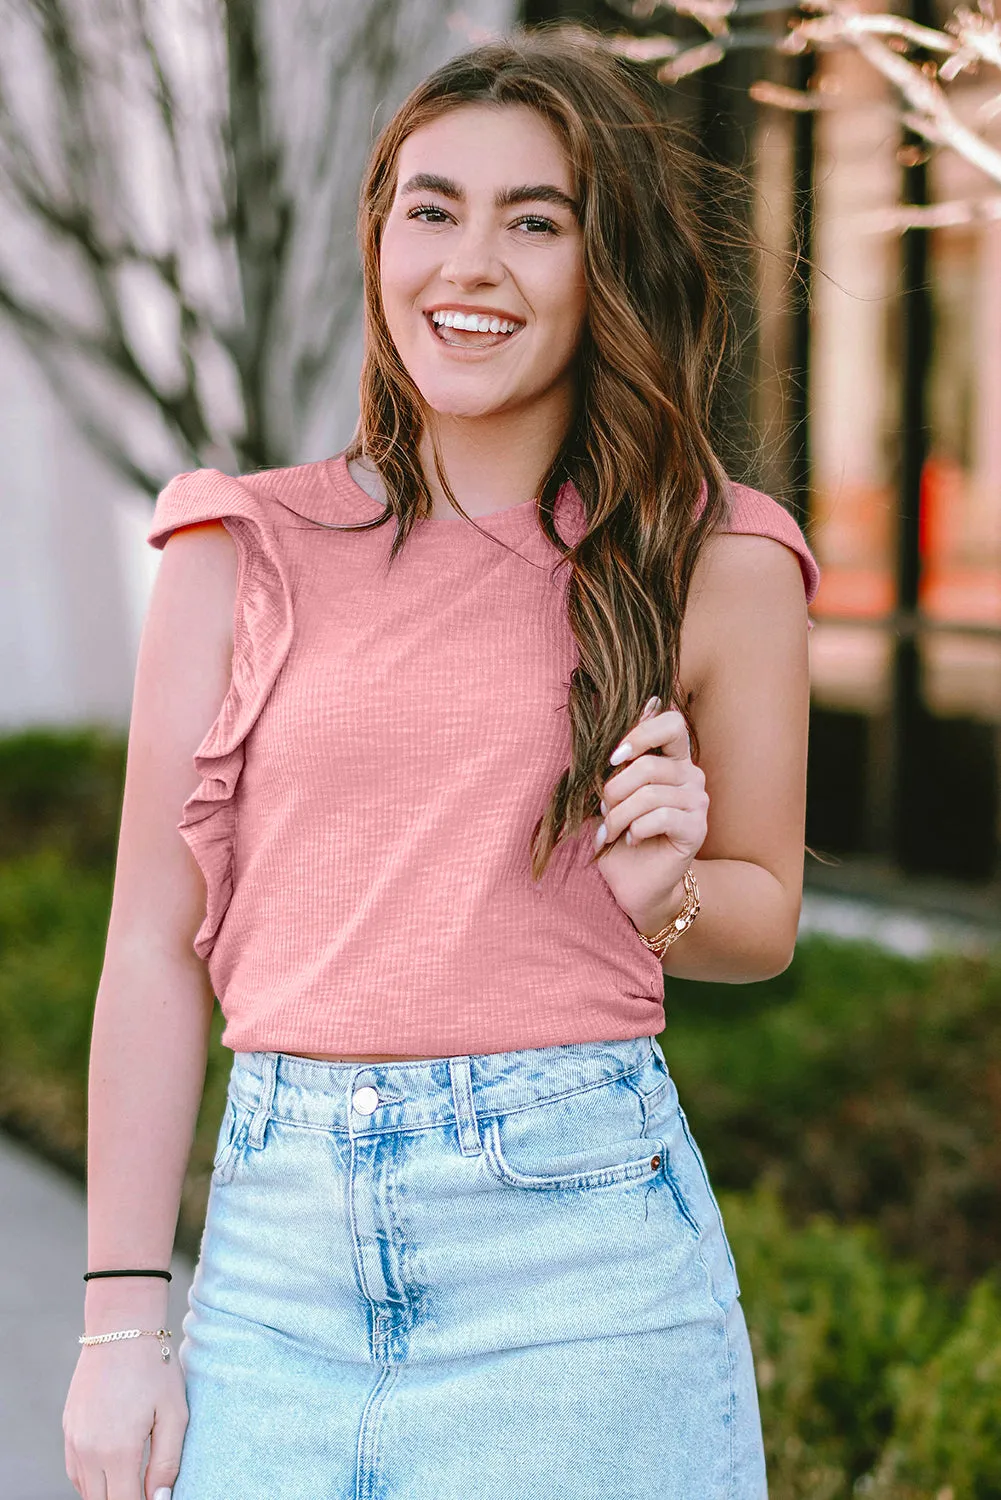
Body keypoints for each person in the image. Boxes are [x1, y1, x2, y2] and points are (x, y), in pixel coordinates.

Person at [63, 24, 819, 1500]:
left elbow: (765, 917)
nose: (469, 265)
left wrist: (666, 892)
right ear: (380, 241)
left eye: (535, 222)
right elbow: (152, 948)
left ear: (605, 267)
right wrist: (118, 1325)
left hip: (581, 1282)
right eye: (433, 209)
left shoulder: (715, 558)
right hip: (274, 1269)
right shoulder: (237, 546)